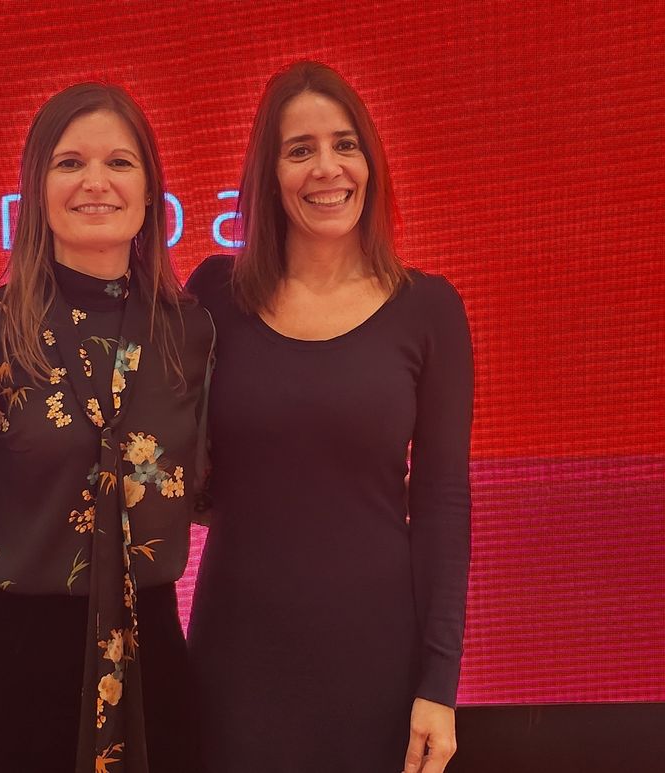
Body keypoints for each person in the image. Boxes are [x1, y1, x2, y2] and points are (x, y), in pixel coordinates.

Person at [0, 82, 213, 773]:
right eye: (69, 162)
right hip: (10, 677)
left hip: (154, 670)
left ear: (150, 191)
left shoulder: (190, 332)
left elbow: (215, 488)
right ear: (36, 189)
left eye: (120, 162)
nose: (96, 182)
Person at [185, 60, 473, 773]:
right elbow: (174, 468)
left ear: (369, 161)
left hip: (376, 665)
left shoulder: (429, 310)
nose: (327, 168)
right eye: (300, 149)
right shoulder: (215, 295)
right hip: (234, 659)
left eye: (345, 144)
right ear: (269, 173)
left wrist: (439, 683)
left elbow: (441, 504)